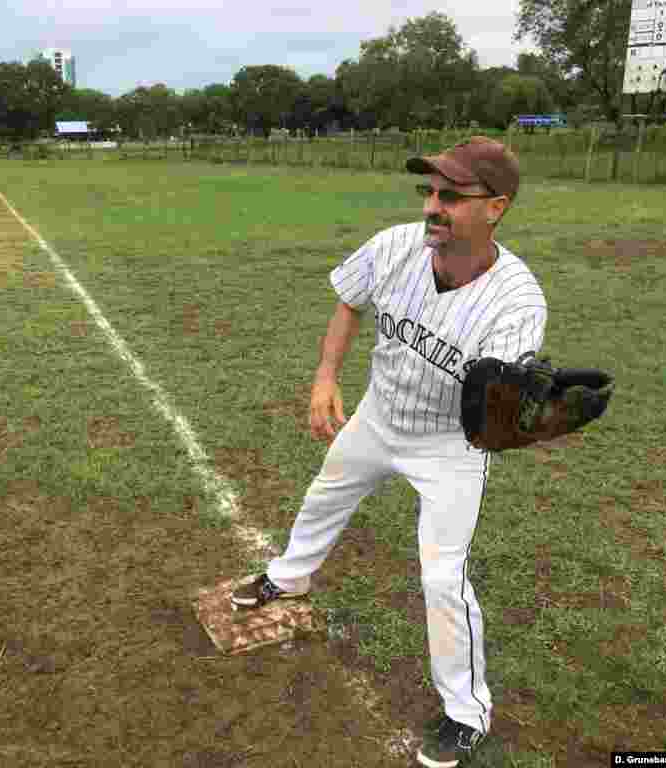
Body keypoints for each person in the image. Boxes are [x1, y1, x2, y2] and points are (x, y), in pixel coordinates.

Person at [230, 136, 547, 767]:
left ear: (497, 208)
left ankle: (465, 711)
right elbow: (350, 299)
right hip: (378, 417)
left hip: (448, 447)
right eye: (429, 191)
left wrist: (525, 411)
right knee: (326, 492)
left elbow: (493, 414)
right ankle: (288, 576)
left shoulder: (517, 302)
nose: (433, 206)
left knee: (441, 578)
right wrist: (325, 376)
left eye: (451, 196)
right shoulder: (396, 246)